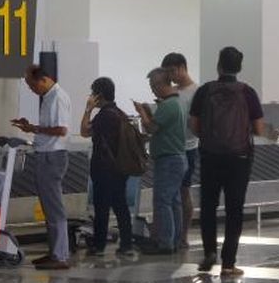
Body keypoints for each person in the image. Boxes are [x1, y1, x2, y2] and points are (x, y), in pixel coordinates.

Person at [190, 46, 264, 276]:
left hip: (210, 156)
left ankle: (209, 251)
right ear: (239, 67)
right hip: (239, 158)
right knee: (235, 209)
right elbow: (259, 129)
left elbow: (194, 125)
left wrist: (210, 138)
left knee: (208, 206)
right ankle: (228, 263)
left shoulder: (204, 91)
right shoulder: (247, 93)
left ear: (219, 65)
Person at [12, 65, 72, 270]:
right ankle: (54, 251)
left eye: (32, 84)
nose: (31, 89)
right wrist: (30, 126)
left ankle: (60, 255)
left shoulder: (57, 97)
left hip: (52, 157)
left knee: (54, 207)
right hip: (45, 155)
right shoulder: (48, 97)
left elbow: (61, 130)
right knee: (49, 206)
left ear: (44, 79)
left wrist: (34, 128)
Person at [134, 68, 187, 254]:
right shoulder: (176, 103)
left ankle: (165, 243)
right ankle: (175, 240)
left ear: (160, 84)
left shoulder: (169, 106)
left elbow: (151, 128)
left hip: (169, 159)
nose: (152, 90)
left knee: (163, 201)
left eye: (152, 86)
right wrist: (149, 111)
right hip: (177, 158)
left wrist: (142, 112)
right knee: (173, 201)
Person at [79, 77, 134, 257]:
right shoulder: (120, 114)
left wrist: (88, 109)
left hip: (104, 168)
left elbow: (84, 131)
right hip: (120, 168)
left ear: (98, 95)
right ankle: (126, 244)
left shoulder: (104, 116)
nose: (91, 96)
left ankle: (99, 245)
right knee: (120, 206)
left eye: (93, 93)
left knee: (101, 207)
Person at [161, 52, 199, 249]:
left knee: (183, 192)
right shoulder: (173, 92)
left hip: (188, 147)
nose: (171, 76)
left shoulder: (196, 92)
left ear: (183, 67)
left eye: (172, 71)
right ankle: (173, 235)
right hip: (171, 147)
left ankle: (183, 235)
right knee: (172, 194)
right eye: (167, 73)